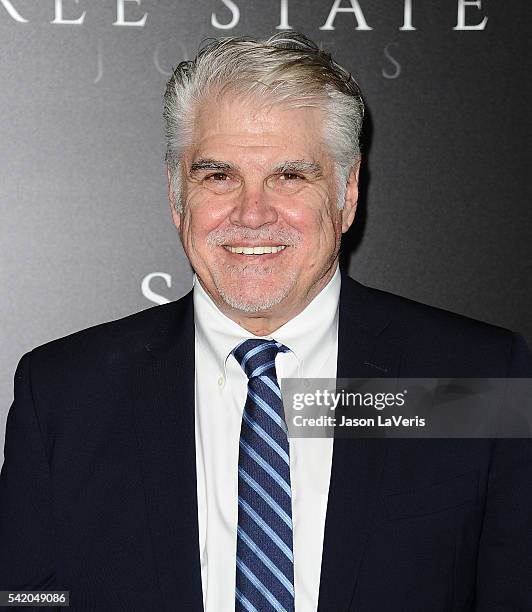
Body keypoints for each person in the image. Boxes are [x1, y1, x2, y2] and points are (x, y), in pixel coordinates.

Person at [1, 32, 531, 612]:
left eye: (290, 176)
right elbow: (27, 598)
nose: (252, 213)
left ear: (347, 194)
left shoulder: (476, 378)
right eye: (218, 176)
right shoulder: (63, 394)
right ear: (177, 196)